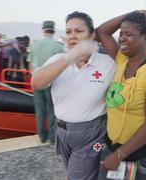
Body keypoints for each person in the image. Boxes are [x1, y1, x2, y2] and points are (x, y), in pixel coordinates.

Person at [31, 11, 115, 180]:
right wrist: (71, 57)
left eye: (79, 31)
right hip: (61, 132)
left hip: (91, 133)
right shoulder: (59, 59)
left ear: (91, 36)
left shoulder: (107, 64)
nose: (72, 36)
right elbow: (36, 83)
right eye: (68, 32)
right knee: (74, 173)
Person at [97, 11, 146, 179]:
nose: (122, 38)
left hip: (141, 156)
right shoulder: (121, 59)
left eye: (128, 34)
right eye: (121, 34)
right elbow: (101, 32)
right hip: (112, 147)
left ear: (145, 38)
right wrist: (132, 14)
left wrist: (118, 155)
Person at [27, 20, 64, 144]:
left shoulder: (35, 45)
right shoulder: (58, 46)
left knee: (39, 110)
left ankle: (42, 137)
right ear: (53, 31)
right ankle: (53, 138)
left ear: (43, 30)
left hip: (37, 81)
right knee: (52, 110)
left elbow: (29, 64)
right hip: (52, 82)